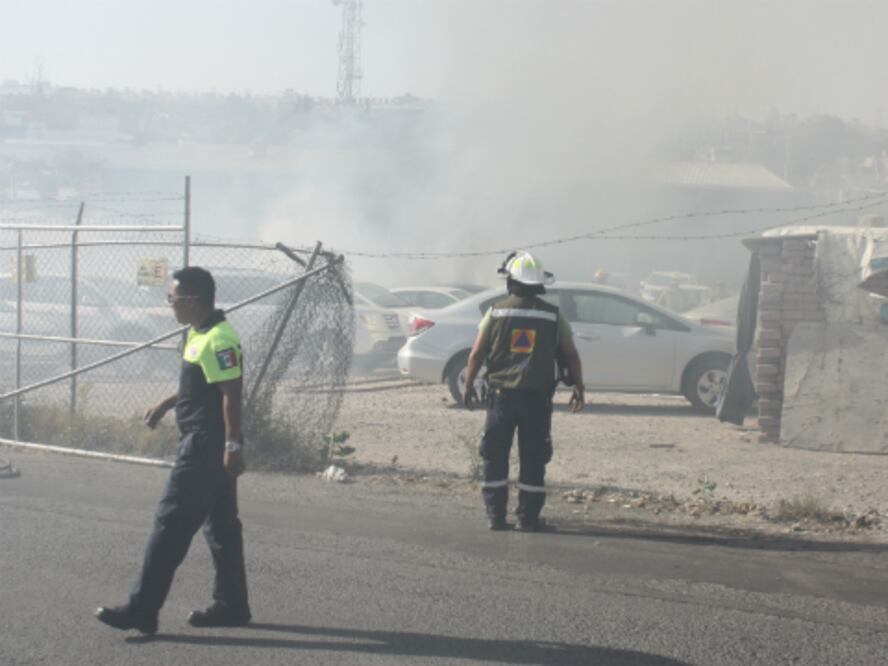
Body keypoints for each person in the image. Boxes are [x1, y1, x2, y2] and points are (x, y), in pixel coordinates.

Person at [96, 266, 250, 635]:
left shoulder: (220, 338)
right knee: (222, 530)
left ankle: (141, 610)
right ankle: (232, 606)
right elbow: (201, 383)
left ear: (193, 300)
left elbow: (231, 393)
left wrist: (232, 446)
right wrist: (167, 404)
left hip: (206, 445)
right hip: (203, 441)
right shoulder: (199, 334)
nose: (169, 304)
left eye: (172, 298)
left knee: (170, 525)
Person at [463, 251, 584, 532]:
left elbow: (477, 353)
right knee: (533, 457)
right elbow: (571, 354)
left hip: (501, 396)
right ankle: (527, 519)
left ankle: (495, 516)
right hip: (536, 399)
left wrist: (468, 385)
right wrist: (579, 386)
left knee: (495, 455)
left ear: (511, 282)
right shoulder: (554, 316)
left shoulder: (496, 312)